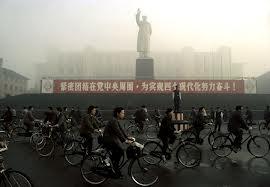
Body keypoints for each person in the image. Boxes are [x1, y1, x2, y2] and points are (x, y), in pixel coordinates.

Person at [103, 107, 134, 178]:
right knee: (119, 150)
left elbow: (121, 130)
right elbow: (118, 132)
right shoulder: (113, 121)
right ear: (118, 113)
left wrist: (127, 137)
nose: (123, 114)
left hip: (112, 139)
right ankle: (112, 166)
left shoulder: (115, 120)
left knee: (119, 152)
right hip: (108, 140)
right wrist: (125, 140)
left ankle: (113, 166)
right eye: (122, 113)